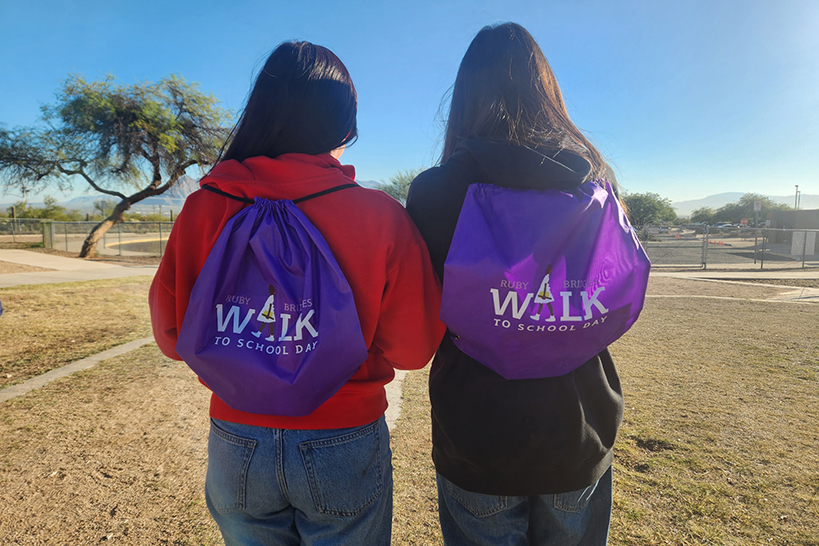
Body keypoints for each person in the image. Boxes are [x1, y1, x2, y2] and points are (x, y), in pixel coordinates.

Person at [150, 41, 445, 546]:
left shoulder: (204, 207)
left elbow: (172, 337)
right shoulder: (379, 216)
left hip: (236, 440)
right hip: (343, 436)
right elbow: (414, 351)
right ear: (344, 124)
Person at [406, 23, 624, 545]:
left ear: (463, 98)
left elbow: (426, 312)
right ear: (546, 91)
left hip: (477, 434)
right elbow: (610, 300)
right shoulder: (595, 185)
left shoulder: (435, 194)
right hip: (577, 427)